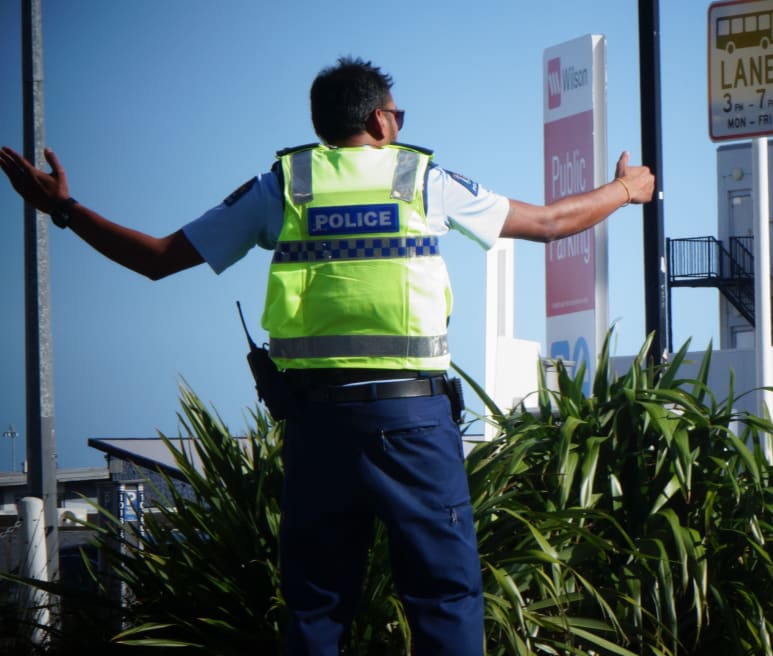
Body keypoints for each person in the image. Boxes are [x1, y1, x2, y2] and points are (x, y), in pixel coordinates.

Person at [0, 56, 654, 656]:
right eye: (399, 115)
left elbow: (158, 260)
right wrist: (627, 189)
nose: (401, 125)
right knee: (446, 603)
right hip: (413, 425)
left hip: (318, 429)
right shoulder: (422, 179)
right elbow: (547, 223)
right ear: (379, 119)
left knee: (315, 613)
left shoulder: (281, 186)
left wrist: (65, 211)